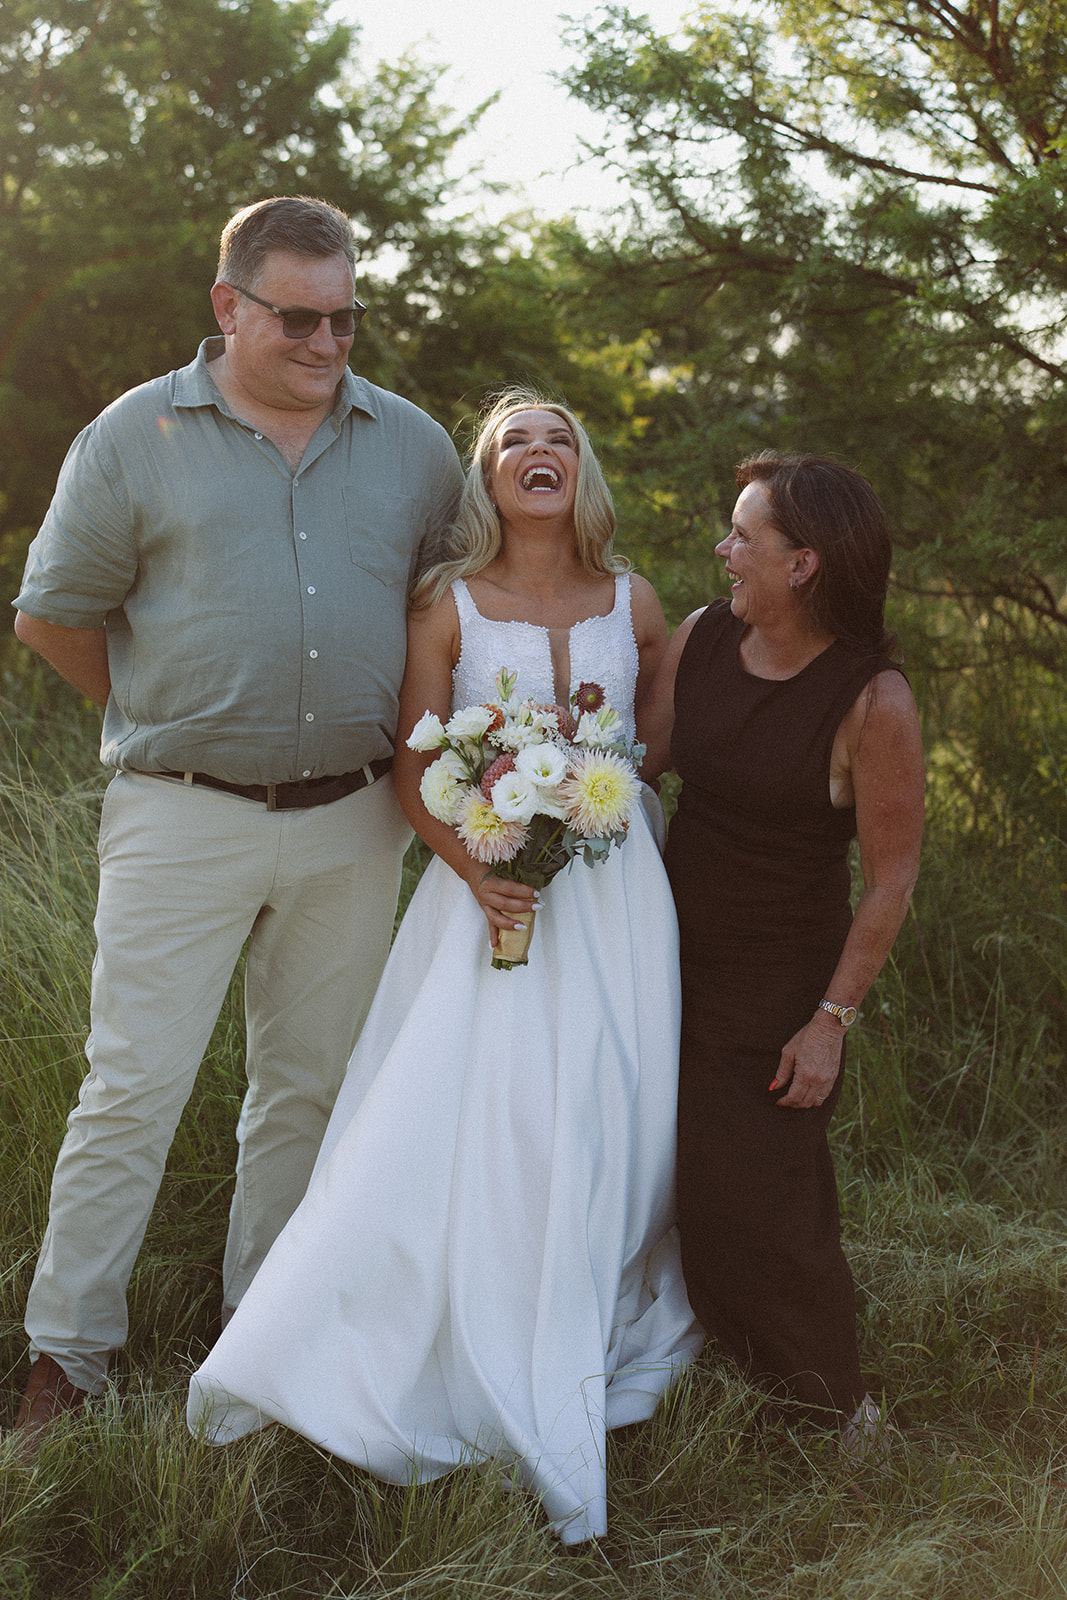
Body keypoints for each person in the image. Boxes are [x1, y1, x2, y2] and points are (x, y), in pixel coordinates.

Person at [187, 389, 701, 1544]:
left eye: (558, 440)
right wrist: (480, 864)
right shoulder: (447, 604)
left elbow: (656, 737)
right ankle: (431, 1319)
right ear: (487, 477)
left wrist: (592, 789)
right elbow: (416, 764)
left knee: (618, 1109)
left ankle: (587, 1295)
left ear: (583, 472)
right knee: (481, 1113)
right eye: (514, 442)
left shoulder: (637, 600)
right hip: (487, 892)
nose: (538, 454)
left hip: (617, 897)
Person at [9, 195, 464, 1450]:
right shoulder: (134, 435)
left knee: (306, 1095)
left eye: (346, 317)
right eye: (299, 317)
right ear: (229, 307)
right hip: (180, 817)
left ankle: (261, 1354)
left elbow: (456, 605)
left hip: (354, 820)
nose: (327, 342)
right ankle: (67, 1356)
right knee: (129, 1088)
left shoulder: (412, 444)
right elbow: (51, 615)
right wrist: (170, 722)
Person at [640, 450, 924, 1451]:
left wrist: (828, 1021)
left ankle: (838, 1413)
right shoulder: (705, 636)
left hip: (776, 983)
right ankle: (702, 1361)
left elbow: (890, 878)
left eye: (741, 537)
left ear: (801, 563)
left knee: (753, 1198)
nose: (722, 551)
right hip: (657, 953)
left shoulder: (869, 700)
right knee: (664, 1175)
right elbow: (638, 760)